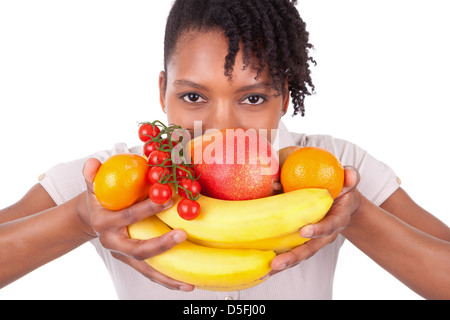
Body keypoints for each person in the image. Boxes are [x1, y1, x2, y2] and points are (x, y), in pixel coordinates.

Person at [1, 0, 449, 300]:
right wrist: (79, 219)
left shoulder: (328, 169)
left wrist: (357, 215)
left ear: (285, 97)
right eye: (194, 97)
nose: (221, 127)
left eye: (253, 98)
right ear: (163, 92)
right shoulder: (118, 178)